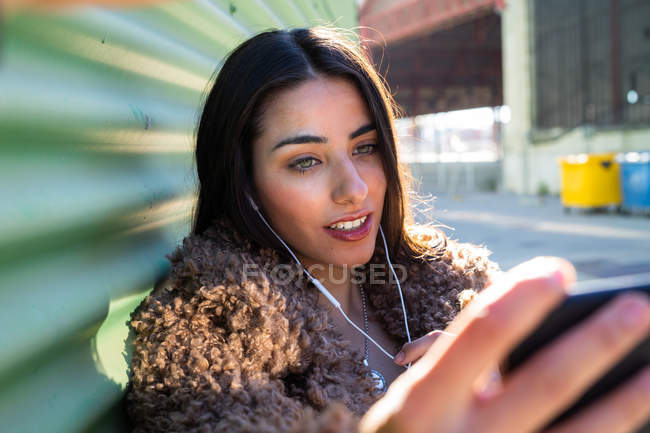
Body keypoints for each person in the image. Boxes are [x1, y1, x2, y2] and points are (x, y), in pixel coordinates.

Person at [125, 27, 650, 433]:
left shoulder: (454, 287)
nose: (353, 188)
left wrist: (500, 379)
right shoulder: (202, 341)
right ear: (244, 183)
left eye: (365, 147)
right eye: (305, 161)